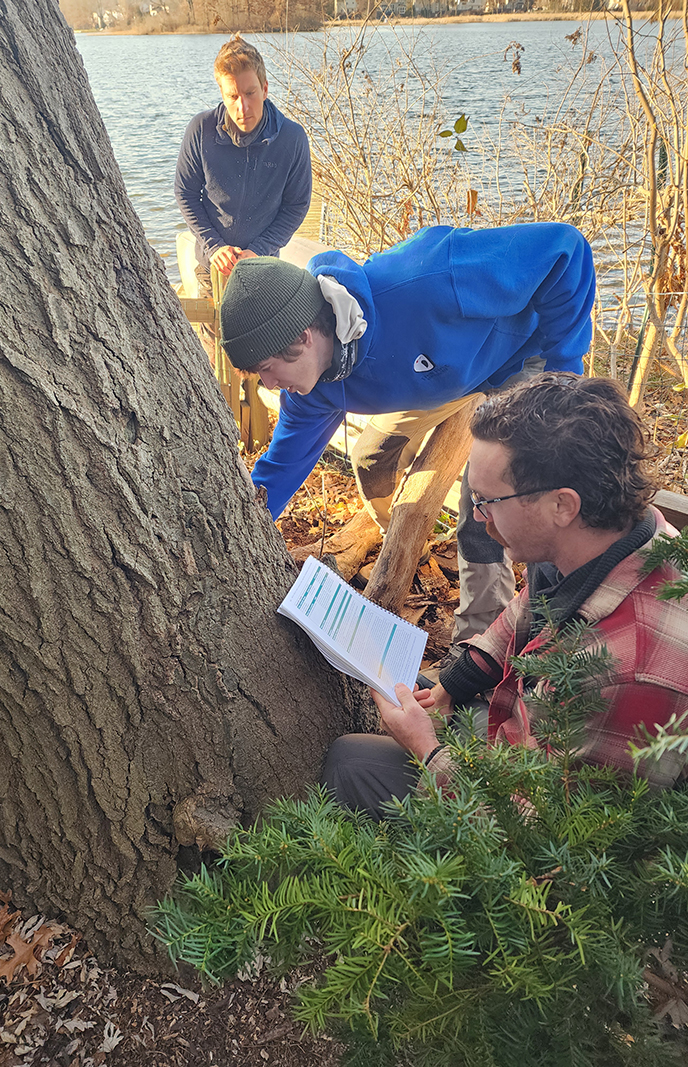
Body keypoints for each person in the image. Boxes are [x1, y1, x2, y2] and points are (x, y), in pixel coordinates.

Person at [320, 373, 688, 819]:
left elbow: (540, 833)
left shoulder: (626, 672)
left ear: (562, 505)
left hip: (535, 831)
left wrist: (425, 747)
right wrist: (451, 687)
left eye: (488, 501)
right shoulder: (605, 535)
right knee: (412, 688)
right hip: (523, 729)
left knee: (350, 760)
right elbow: (525, 610)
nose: (478, 520)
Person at [219, 222, 596, 649]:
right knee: (369, 457)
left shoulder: (428, 278)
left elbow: (565, 251)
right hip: (437, 382)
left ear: (303, 337)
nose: (267, 385)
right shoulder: (313, 388)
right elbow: (282, 465)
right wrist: (239, 525)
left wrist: (564, 374)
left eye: (268, 369)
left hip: (516, 362)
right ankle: (395, 534)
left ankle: (482, 642)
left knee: (487, 500)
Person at [174, 35, 312, 300]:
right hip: (212, 263)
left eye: (250, 93)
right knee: (213, 336)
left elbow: (296, 206)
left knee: (263, 341)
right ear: (222, 94)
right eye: (233, 96)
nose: (243, 107)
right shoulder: (200, 130)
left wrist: (259, 250)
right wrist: (215, 247)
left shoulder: (293, 139)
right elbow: (186, 194)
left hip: (264, 265)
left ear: (265, 89)